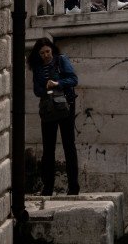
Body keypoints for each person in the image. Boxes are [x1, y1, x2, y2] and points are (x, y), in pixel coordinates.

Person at [29, 37, 80, 196]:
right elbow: (37, 91)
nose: (46, 55)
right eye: (42, 53)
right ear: (38, 54)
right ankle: (48, 187)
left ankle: (73, 188)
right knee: (48, 149)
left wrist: (57, 84)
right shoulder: (37, 68)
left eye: (48, 51)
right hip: (48, 110)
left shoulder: (61, 60)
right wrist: (46, 88)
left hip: (65, 107)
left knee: (68, 146)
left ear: (52, 50)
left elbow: (73, 79)